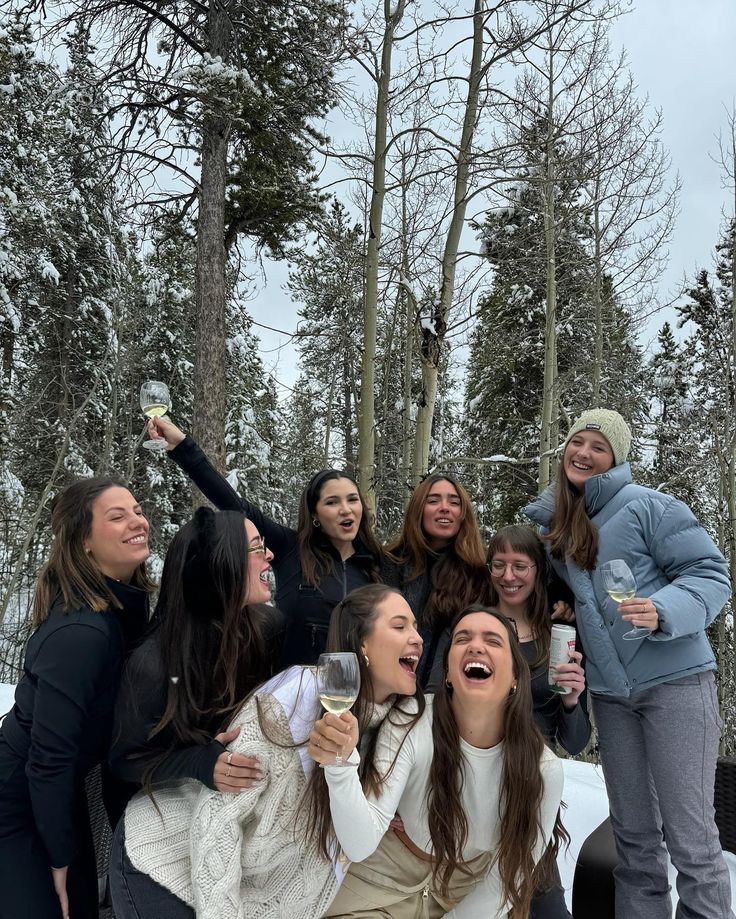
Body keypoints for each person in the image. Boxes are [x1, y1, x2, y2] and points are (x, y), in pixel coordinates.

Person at [525, 408, 734, 919]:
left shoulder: (648, 506)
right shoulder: (558, 530)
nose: (584, 453)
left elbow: (711, 574)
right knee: (635, 841)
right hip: (613, 697)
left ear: (616, 458)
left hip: (676, 684)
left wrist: (664, 610)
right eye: (577, 442)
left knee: (691, 842)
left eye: (599, 446)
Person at [109, 583, 424, 919]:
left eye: (417, 627)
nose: (417, 638)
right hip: (165, 862)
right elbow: (219, 815)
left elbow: (353, 840)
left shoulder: (394, 727)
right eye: (400, 625)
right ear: (362, 643)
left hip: (241, 894)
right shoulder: (300, 694)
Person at [310, 605, 565, 918]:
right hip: (382, 880)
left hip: (465, 893)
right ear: (447, 673)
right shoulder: (411, 721)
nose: (475, 645)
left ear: (515, 677)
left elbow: (506, 878)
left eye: (493, 641)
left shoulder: (544, 769)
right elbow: (360, 843)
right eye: (462, 639)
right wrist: (340, 766)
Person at [109, 505, 286, 912]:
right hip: (151, 840)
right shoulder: (153, 665)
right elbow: (123, 763)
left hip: (223, 827)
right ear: (222, 566)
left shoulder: (262, 629)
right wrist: (199, 762)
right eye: (257, 547)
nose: (270, 555)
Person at [0, 477, 154, 919]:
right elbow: (48, 757)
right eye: (117, 515)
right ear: (84, 541)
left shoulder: (124, 605)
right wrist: (59, 858)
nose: (136, 521)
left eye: (138, 510)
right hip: (21, 800)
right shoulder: (81, 633)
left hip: (58, 796)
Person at [146, 416, 383, 665]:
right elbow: (233, 504)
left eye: (352, 499)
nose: (346, 509)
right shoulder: (291, 549)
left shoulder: (378, 564)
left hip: (355, 695)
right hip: (293, 693)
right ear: (315, 514)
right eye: (332, 502)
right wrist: (183, 447)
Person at [487, 524, 589, 918]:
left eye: (520, 565)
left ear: (538, 570)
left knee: (547, 909)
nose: (508, 576)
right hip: (473, 786)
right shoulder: (473, 628)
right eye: (499, 564)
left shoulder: (559, 635)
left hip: (534, 794)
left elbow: (576, 742)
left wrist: (572, 701)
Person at [382, 473, 489, 687]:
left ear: (463, 514)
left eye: (454, 502)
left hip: (449, 697)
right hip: (392, 689)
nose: (445, 507)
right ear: (418, 510)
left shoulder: (478, 573)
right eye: (433, 500)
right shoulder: (389, 565)